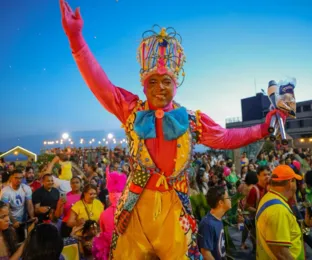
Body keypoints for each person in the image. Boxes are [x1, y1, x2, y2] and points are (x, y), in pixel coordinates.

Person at [59, 1, 285, 258]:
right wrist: (76, 40)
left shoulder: (190, 120)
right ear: (144, 86)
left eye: (166, 81)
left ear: (175, 84)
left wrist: (264, 129)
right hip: (136, 209)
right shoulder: (131, 110)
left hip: (174, 208)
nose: (159, 88)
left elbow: (227, 137)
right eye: (152, 81)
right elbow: (100, 84)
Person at [256, 165, 312, 260]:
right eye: (295, 181)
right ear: (290, 183)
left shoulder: (270, 198)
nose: (297, 185)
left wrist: (306, 224)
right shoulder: (278, 210)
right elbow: (281, 253)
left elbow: (291, 234)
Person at [0, 170, 36, 243]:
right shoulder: (5, 191)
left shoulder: (26, 188)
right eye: (16, 178)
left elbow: (29, 204)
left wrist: (32, 218)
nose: (18, 180)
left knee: (23, 240)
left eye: (20, 178)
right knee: (12, 242)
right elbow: (6, 209)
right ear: (11, 178)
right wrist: (14, 221)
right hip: (9, 222)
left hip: (23, 220)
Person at [197, 186, 232, 260]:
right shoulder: (207, 224)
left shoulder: (217, 218)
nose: (230, 199)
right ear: (221, 203)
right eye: (228, 198)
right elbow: (206, 254)